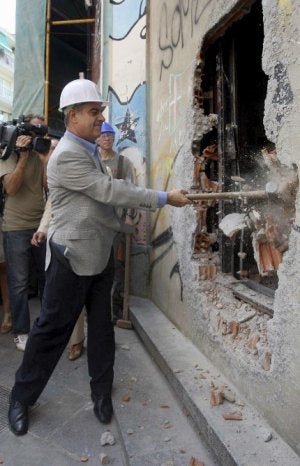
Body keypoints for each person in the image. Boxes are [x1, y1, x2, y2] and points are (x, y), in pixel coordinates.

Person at [7, 78, 191, 436]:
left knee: (102, 329)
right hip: (71, 257)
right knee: (50, 332)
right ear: (72, 116)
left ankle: (101, 393)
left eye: (101, 112)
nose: (100, 119)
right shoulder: (67, 156)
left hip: (100, 254)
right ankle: (21, 397)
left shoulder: (88, 148)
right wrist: (165, 197)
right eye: (93, 112)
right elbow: (109, 190)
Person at [0, 115, 49, 351]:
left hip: (40, 225)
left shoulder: (40, 156)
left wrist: (45, 159)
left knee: (46, 278)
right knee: (18, 283)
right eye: (32, 130)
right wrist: (22, 157)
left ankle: (47, 327)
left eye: (39, 131)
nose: (35, 136)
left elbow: (49, 187)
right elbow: (10, 187)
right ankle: (21, 331)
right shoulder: (8, 152)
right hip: (16, 226)